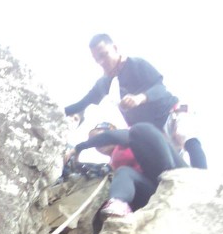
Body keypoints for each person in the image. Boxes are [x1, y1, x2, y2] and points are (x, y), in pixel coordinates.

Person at [65, 34, 208, 168]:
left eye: (104, 55)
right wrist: (57, 111)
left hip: (170, 114)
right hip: (154, 133)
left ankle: (204, 182)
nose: (102, 62)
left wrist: (140, 98)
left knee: (184, 135)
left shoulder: (136, 64)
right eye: (97, 59)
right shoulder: (104, 83)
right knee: (168, 165)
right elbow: (83, 103)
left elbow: (160, 88)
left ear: (114, 48)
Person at [66, 120, 185, 218]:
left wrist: (79, 148)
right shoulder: (113, 164)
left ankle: (172, 177)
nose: (98, 145)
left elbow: (116, 136)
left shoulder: (125, 141)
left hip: (166, 173)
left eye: (98, 137)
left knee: (140, 129)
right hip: (150, 189)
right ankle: (118, 204)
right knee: (124, 172)